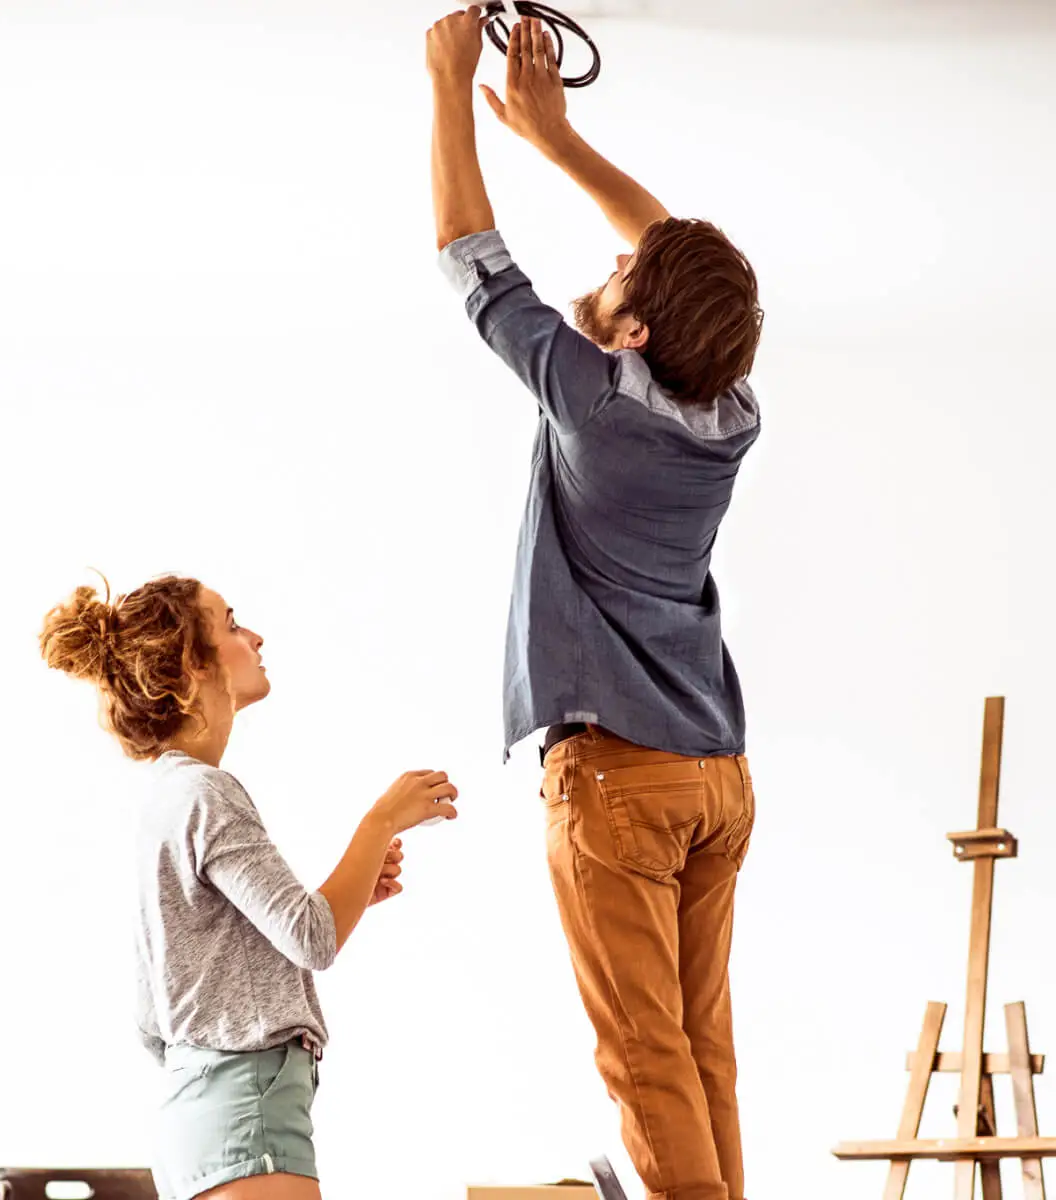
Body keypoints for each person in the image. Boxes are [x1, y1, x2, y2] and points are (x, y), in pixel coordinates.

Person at [426, 11, 762, 1200]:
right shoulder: (728, 412)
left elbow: (470, 251)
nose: (613, 260)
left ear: (633, 330)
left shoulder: (593, 401)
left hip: (620, 777)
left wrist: (447, 84)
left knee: (643, 1056)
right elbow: (670, 259)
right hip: (714, 778)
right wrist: (558, 141)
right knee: (697, 1049)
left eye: (622, 278)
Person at [39, 575, 459, 1200]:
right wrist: (382, 822)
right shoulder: (208, 794)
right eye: (231, 623)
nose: (255, 635)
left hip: (199, 1117)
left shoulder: (166, 796)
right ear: (187, 665)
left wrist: (354, 885)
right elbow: (313, 937)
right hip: (248, 1112)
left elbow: (159, 1013)